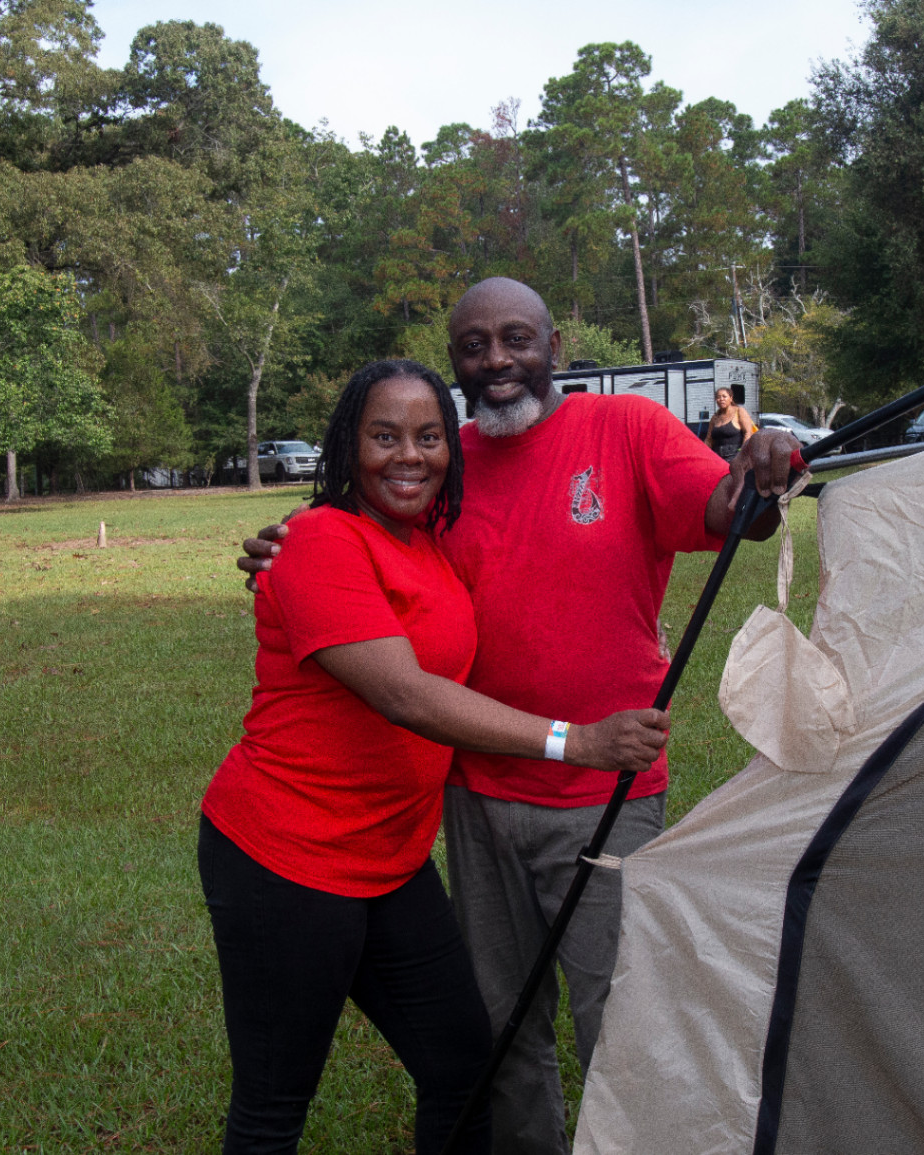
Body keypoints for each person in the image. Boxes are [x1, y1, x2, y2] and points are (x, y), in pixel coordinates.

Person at [239, 283, 802, 1155]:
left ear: (556, 342)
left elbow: (733, 514)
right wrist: (289, 540)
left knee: (621, 1024)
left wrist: (761, 464)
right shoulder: (445, 461)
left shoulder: (626, 429)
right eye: (473, 345)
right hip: (474, 795)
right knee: (501, 1035)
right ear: (454, 356)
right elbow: (360, 533)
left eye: (515, 339)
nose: (496, 360)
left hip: (604, 792)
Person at [201, 358, 672, 1155]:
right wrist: (576, 740)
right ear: (347, 444)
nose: (409, 455)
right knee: (274, 1103)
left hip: (389, 863)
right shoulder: (317, 540)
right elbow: (406, 695)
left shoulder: (426, 544)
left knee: (461, 1061)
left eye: (428, 437)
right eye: (384, 436)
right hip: (287, 861)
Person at [702, 385, 756, 462]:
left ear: (731, 398)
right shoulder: (714, 418)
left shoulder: (739, 411)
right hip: (718, 458)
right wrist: (701, 453)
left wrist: (741, 455)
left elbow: (748, 433)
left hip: (736, 457)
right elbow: (709, 440)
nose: (721, 399)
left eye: (724, 396)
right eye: (718, 397)